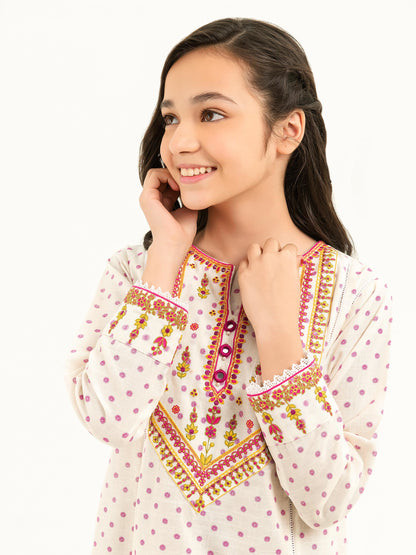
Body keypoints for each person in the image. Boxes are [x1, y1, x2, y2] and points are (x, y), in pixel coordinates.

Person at [66, 17, 392, 554]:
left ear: (288, 130)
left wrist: (279, 336)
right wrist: (165, 258)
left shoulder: (356, 296)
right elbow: (109, 419)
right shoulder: (136, 272)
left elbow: (327, 499)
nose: (179, 141)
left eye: (211, 114)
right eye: (171, 118)